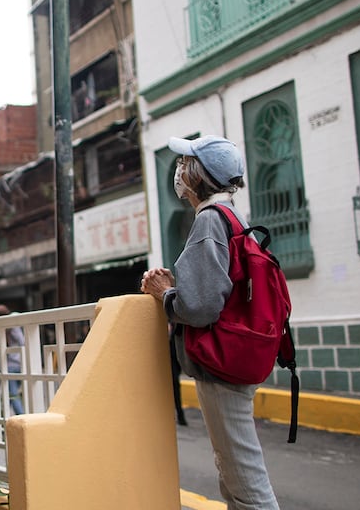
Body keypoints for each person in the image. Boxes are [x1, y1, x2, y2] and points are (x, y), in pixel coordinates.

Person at [141, 135, 279, 510]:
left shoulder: (209, 221)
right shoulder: (232, 216)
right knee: (232, 473)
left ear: (198, 174)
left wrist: (164, 292)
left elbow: (199, 307)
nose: (179, 170)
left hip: (220, 363)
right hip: (235, 356)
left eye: (185, 163)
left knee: (245, 478)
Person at [0, 304, 24, 415]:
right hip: (19, 364)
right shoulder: (14, 327)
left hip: (7, 365)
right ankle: (3, 418)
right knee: (11, 393)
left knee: (12, 394)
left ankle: (21, 416)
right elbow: (22, 341)